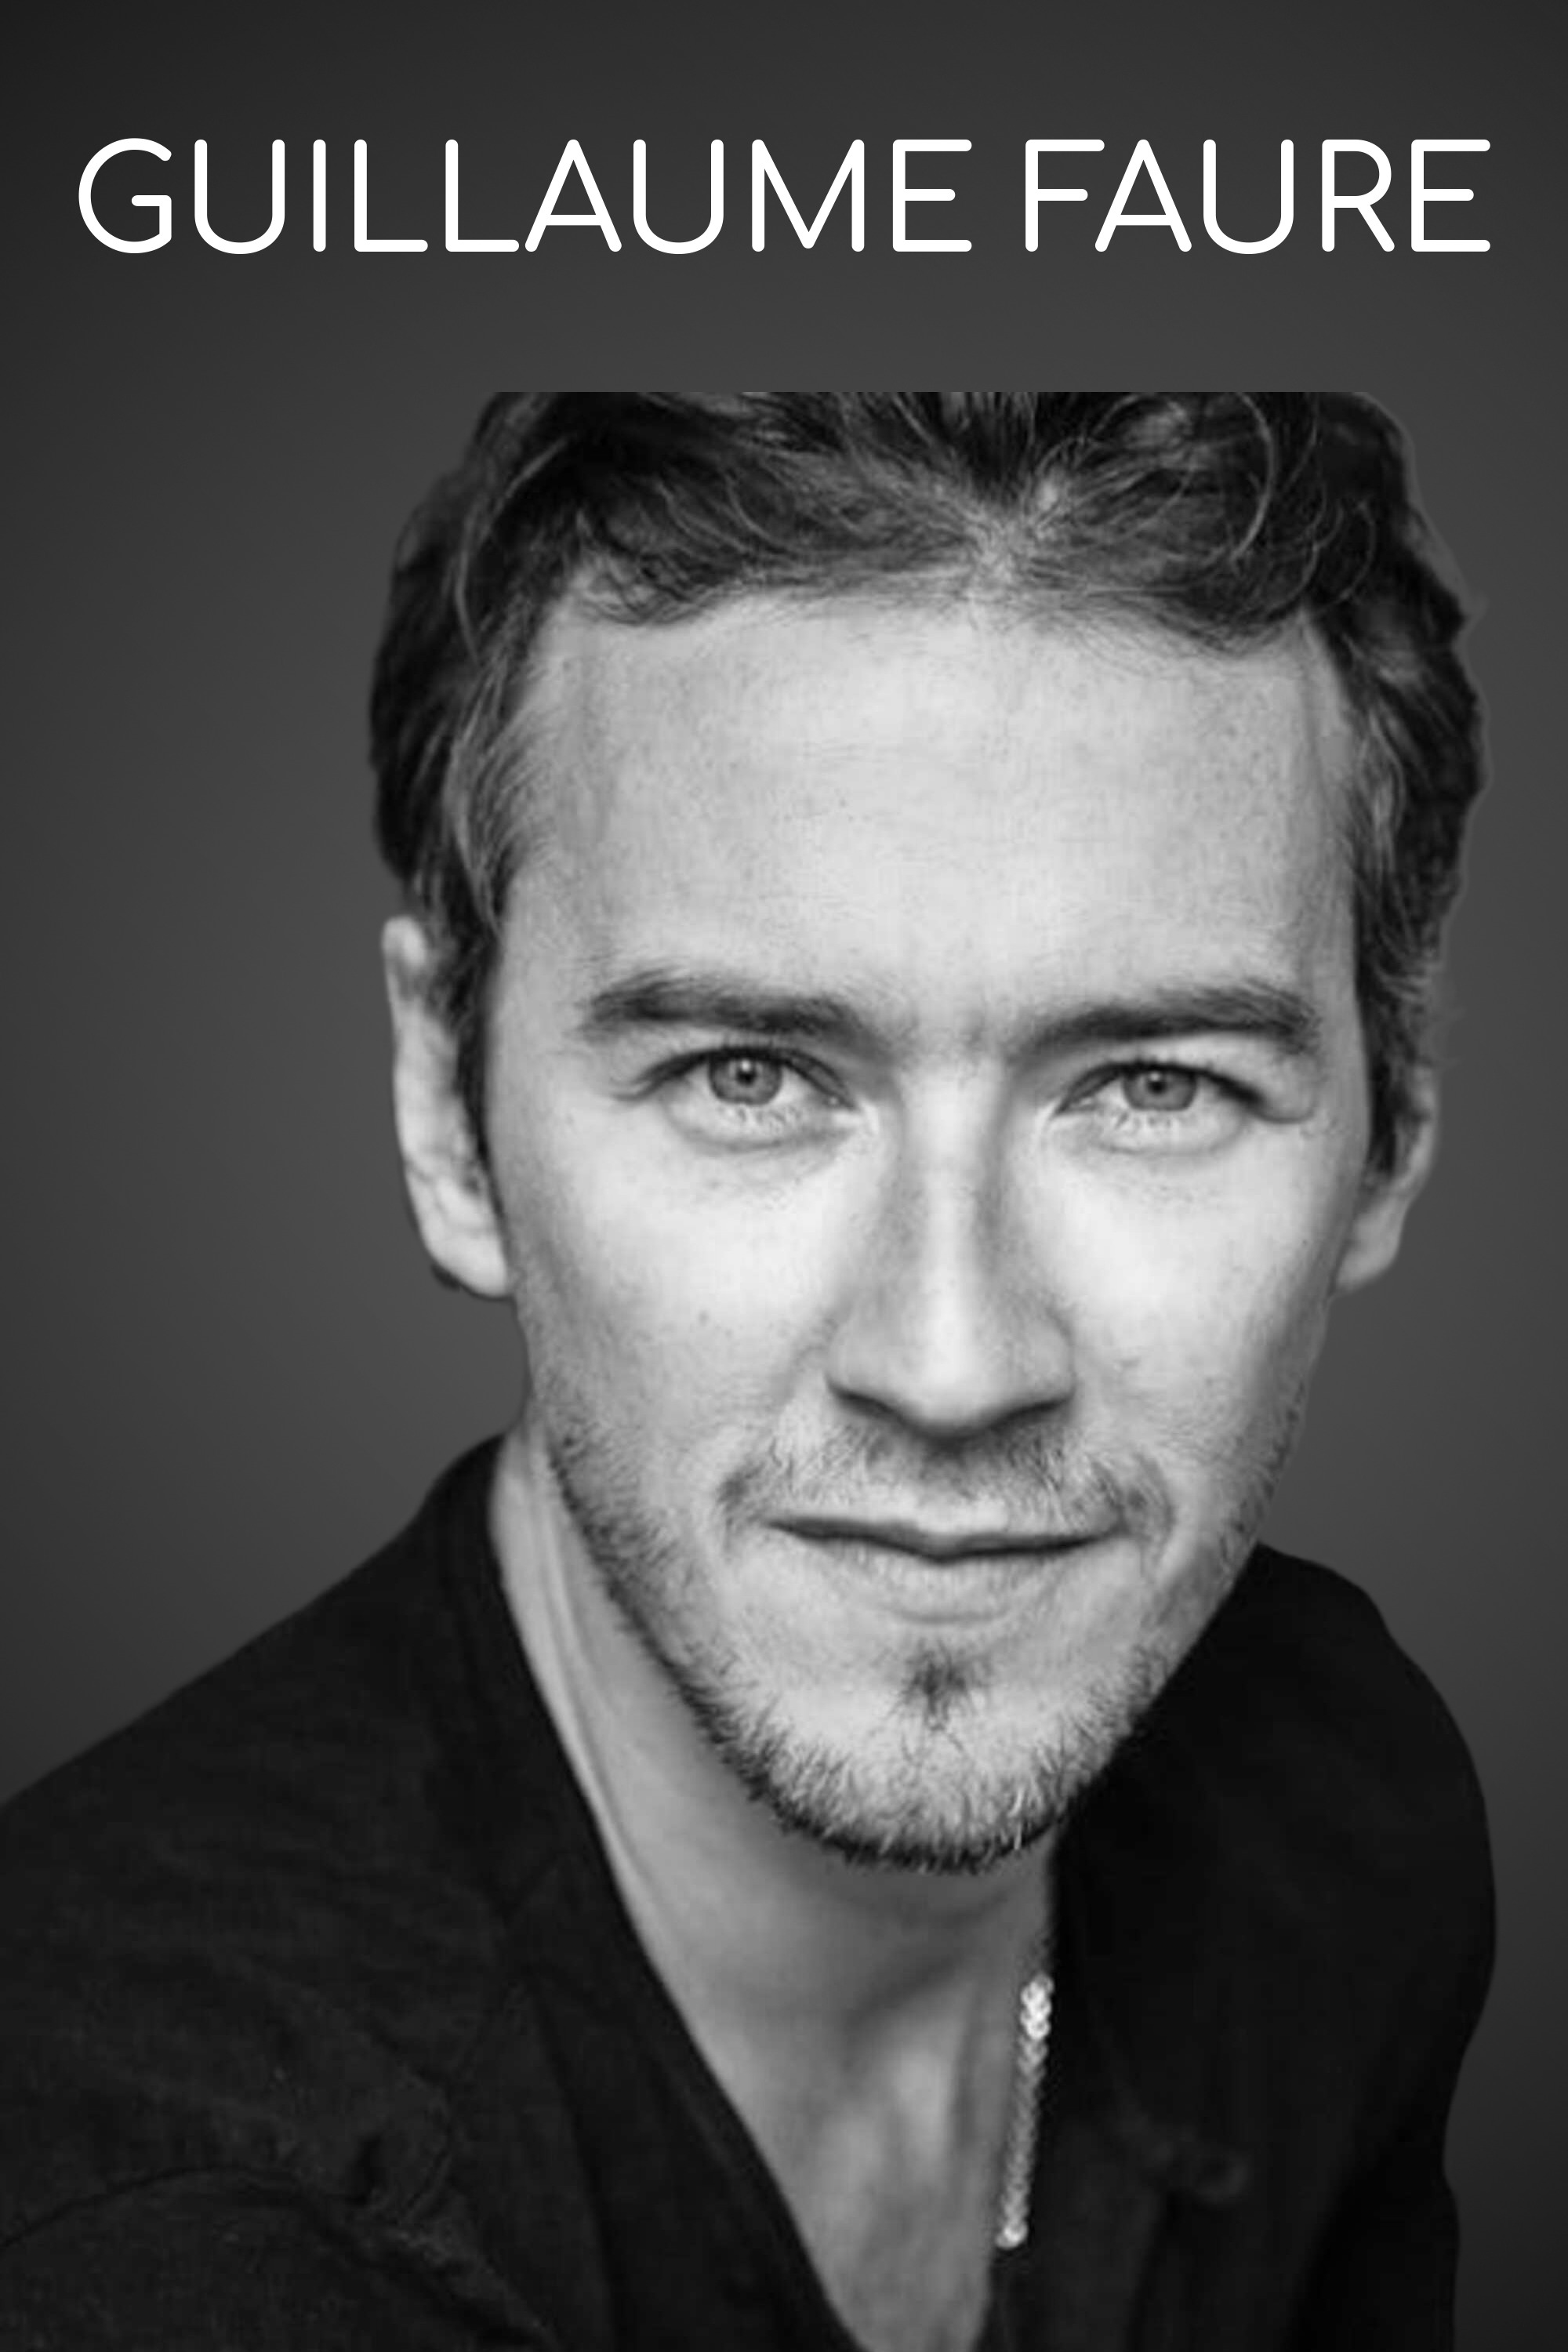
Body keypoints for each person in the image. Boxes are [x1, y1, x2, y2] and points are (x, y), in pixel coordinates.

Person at [0, 394, 1493, 2351]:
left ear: (1391, 1136)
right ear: (446, 1117)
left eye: (1153, 1085)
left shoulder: (1345, 1817)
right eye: (749, 1075)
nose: (949, 1363)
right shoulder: (152, 2236)